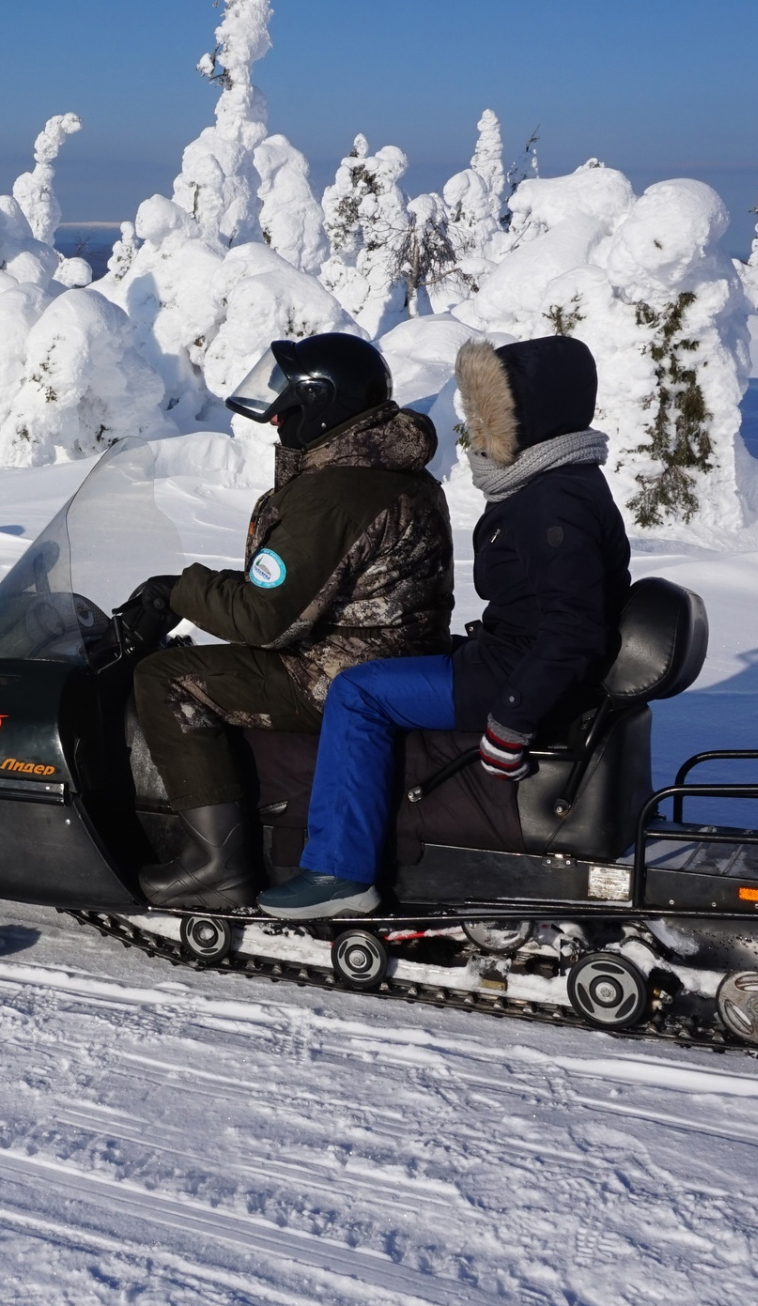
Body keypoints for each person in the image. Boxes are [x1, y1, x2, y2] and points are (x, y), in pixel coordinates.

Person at [260, 333, 632, 918]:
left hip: (513, 675)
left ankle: (338, 872)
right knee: (385, 672)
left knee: (355, 692)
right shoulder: (554, 482)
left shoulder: (551, 501)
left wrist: (511, 720)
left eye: (491, 415)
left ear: (529, 416)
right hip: (506, 659)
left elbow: (572, 629)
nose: (477, 432)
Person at [121, 332, 452, 911]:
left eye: (288, 408)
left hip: (341, 673)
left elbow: (264, 617)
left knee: (166, 676)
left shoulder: (338, 491)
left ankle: (215, 867)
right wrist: (198, 592)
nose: (276, 422)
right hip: (386, 658)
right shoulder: (383, 469)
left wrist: (181, 591)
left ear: (322, 406)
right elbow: (304, 584)